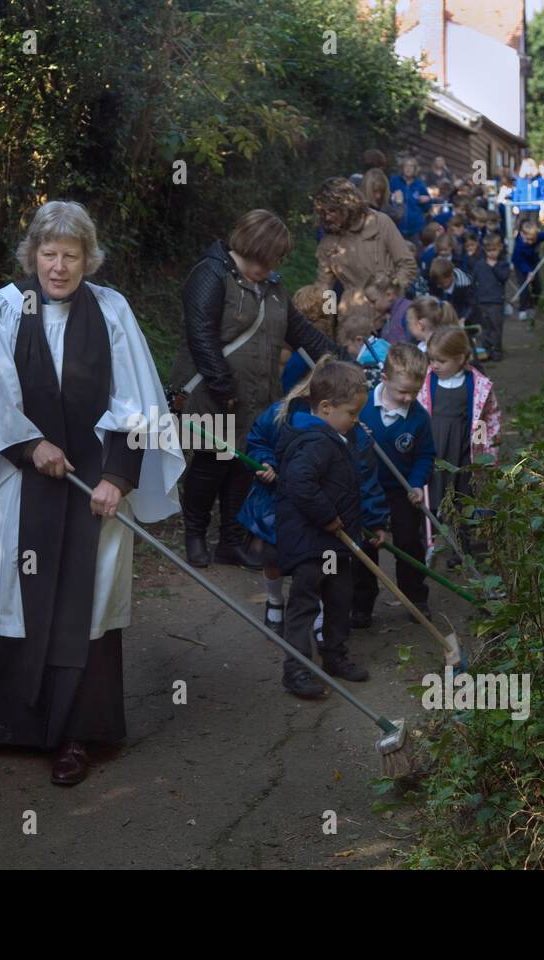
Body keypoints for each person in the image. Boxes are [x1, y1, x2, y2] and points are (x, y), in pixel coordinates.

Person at [0, 200, 186, 786]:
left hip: (94, 486)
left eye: (71, 255)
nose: (60, 267)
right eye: (49, 254)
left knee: (88, 599)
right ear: (33, 255)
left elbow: (139, 401)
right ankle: (13, 724)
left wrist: (117, 477)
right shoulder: (1, 309)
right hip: (23, 484)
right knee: (19, 590)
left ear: (88, 258)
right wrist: (29, 446)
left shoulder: (112, 311)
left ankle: (76, 734)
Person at [170, 210, 344, 568]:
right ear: (247, 246)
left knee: (243, 467)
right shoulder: (210, 275)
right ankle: (196, 535)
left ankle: (231, 540)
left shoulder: (275, 289)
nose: (265, 268)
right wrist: (222, 386)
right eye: (261, 260)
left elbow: (302, 334)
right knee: (211, 464)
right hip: (212, 393)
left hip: (256, 396)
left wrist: (344, 361)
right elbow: (200, 335)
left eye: (272, 261)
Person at [274, 359, 386, 697]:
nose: (356, 421)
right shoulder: (316, 441)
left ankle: (334, 655)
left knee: (340, 598)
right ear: (325, 407)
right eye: (352, 413)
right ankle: (295, 669)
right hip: (311, 543)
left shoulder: (335, 436)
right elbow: (300, 482)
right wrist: (326, 517)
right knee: (305, 604)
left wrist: (365, 524)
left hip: (336, 544)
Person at [353, 343, 436, 627]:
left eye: (415, 391)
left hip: (401, 490)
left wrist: (416, 484)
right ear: (384, 379)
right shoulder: (360, 408)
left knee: (409, 542)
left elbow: (425, 455)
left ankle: (415, 598)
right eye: (402, 391)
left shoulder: (418, 417)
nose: (408, 397)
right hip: (365, 489)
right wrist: (353, 427)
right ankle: (361, 604)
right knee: (365, 545)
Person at [417, 326, 501, 568]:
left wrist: (487, 452)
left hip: (463, 453)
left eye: (441, 361)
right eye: (431, 359)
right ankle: (428, 543)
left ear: (460, 358)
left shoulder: (477, 385)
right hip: (433, 451)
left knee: (462, 500)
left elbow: (489, 417)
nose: (434, 365)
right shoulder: (426, 382)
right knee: (430, 498)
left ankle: (462, 549)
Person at [315, 178, 418, 303]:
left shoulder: (380, 222)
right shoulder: (328, 242)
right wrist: (326, 319)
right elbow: (326, 289)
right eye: (323, 212)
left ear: (347, 204)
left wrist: (391, 294)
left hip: (388, 313)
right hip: (352, 316)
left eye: (332, 210)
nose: (328, 217)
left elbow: (407, 264)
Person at [469, 234, 511, 361]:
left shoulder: (502, 264)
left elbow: (504, 277)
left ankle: (497, 350)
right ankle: (486, 350)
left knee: (496, 327)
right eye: (489, 250)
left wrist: (494, 267)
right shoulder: (479, 264)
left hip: (496, 301)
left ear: (500, 249)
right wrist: (474, 297)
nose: (491, 253)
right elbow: (473, 280)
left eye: (494, 250)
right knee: (485, 327)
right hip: (482, 301)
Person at [511, 219, 544, 320]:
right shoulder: (520, 245)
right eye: (528, 239)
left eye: (533, 239)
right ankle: (522, 309)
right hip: (520, 266)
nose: (531, 242)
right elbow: (520, 261)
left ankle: (532, 305)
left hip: (533, 264)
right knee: (524, 288)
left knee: (538, 287)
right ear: (522, 234)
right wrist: (528, 272)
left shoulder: (538, 236)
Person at [390, 157, 432, 242]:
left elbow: (427, 208)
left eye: (411, 166)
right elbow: (387, 200)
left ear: (415, 169)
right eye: (406, 166)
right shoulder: (394, 181)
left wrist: (426, 202)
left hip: (416, 229)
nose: (408, 168)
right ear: (402, 168)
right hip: (397, 227)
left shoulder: (420, 184)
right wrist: (393, 197)